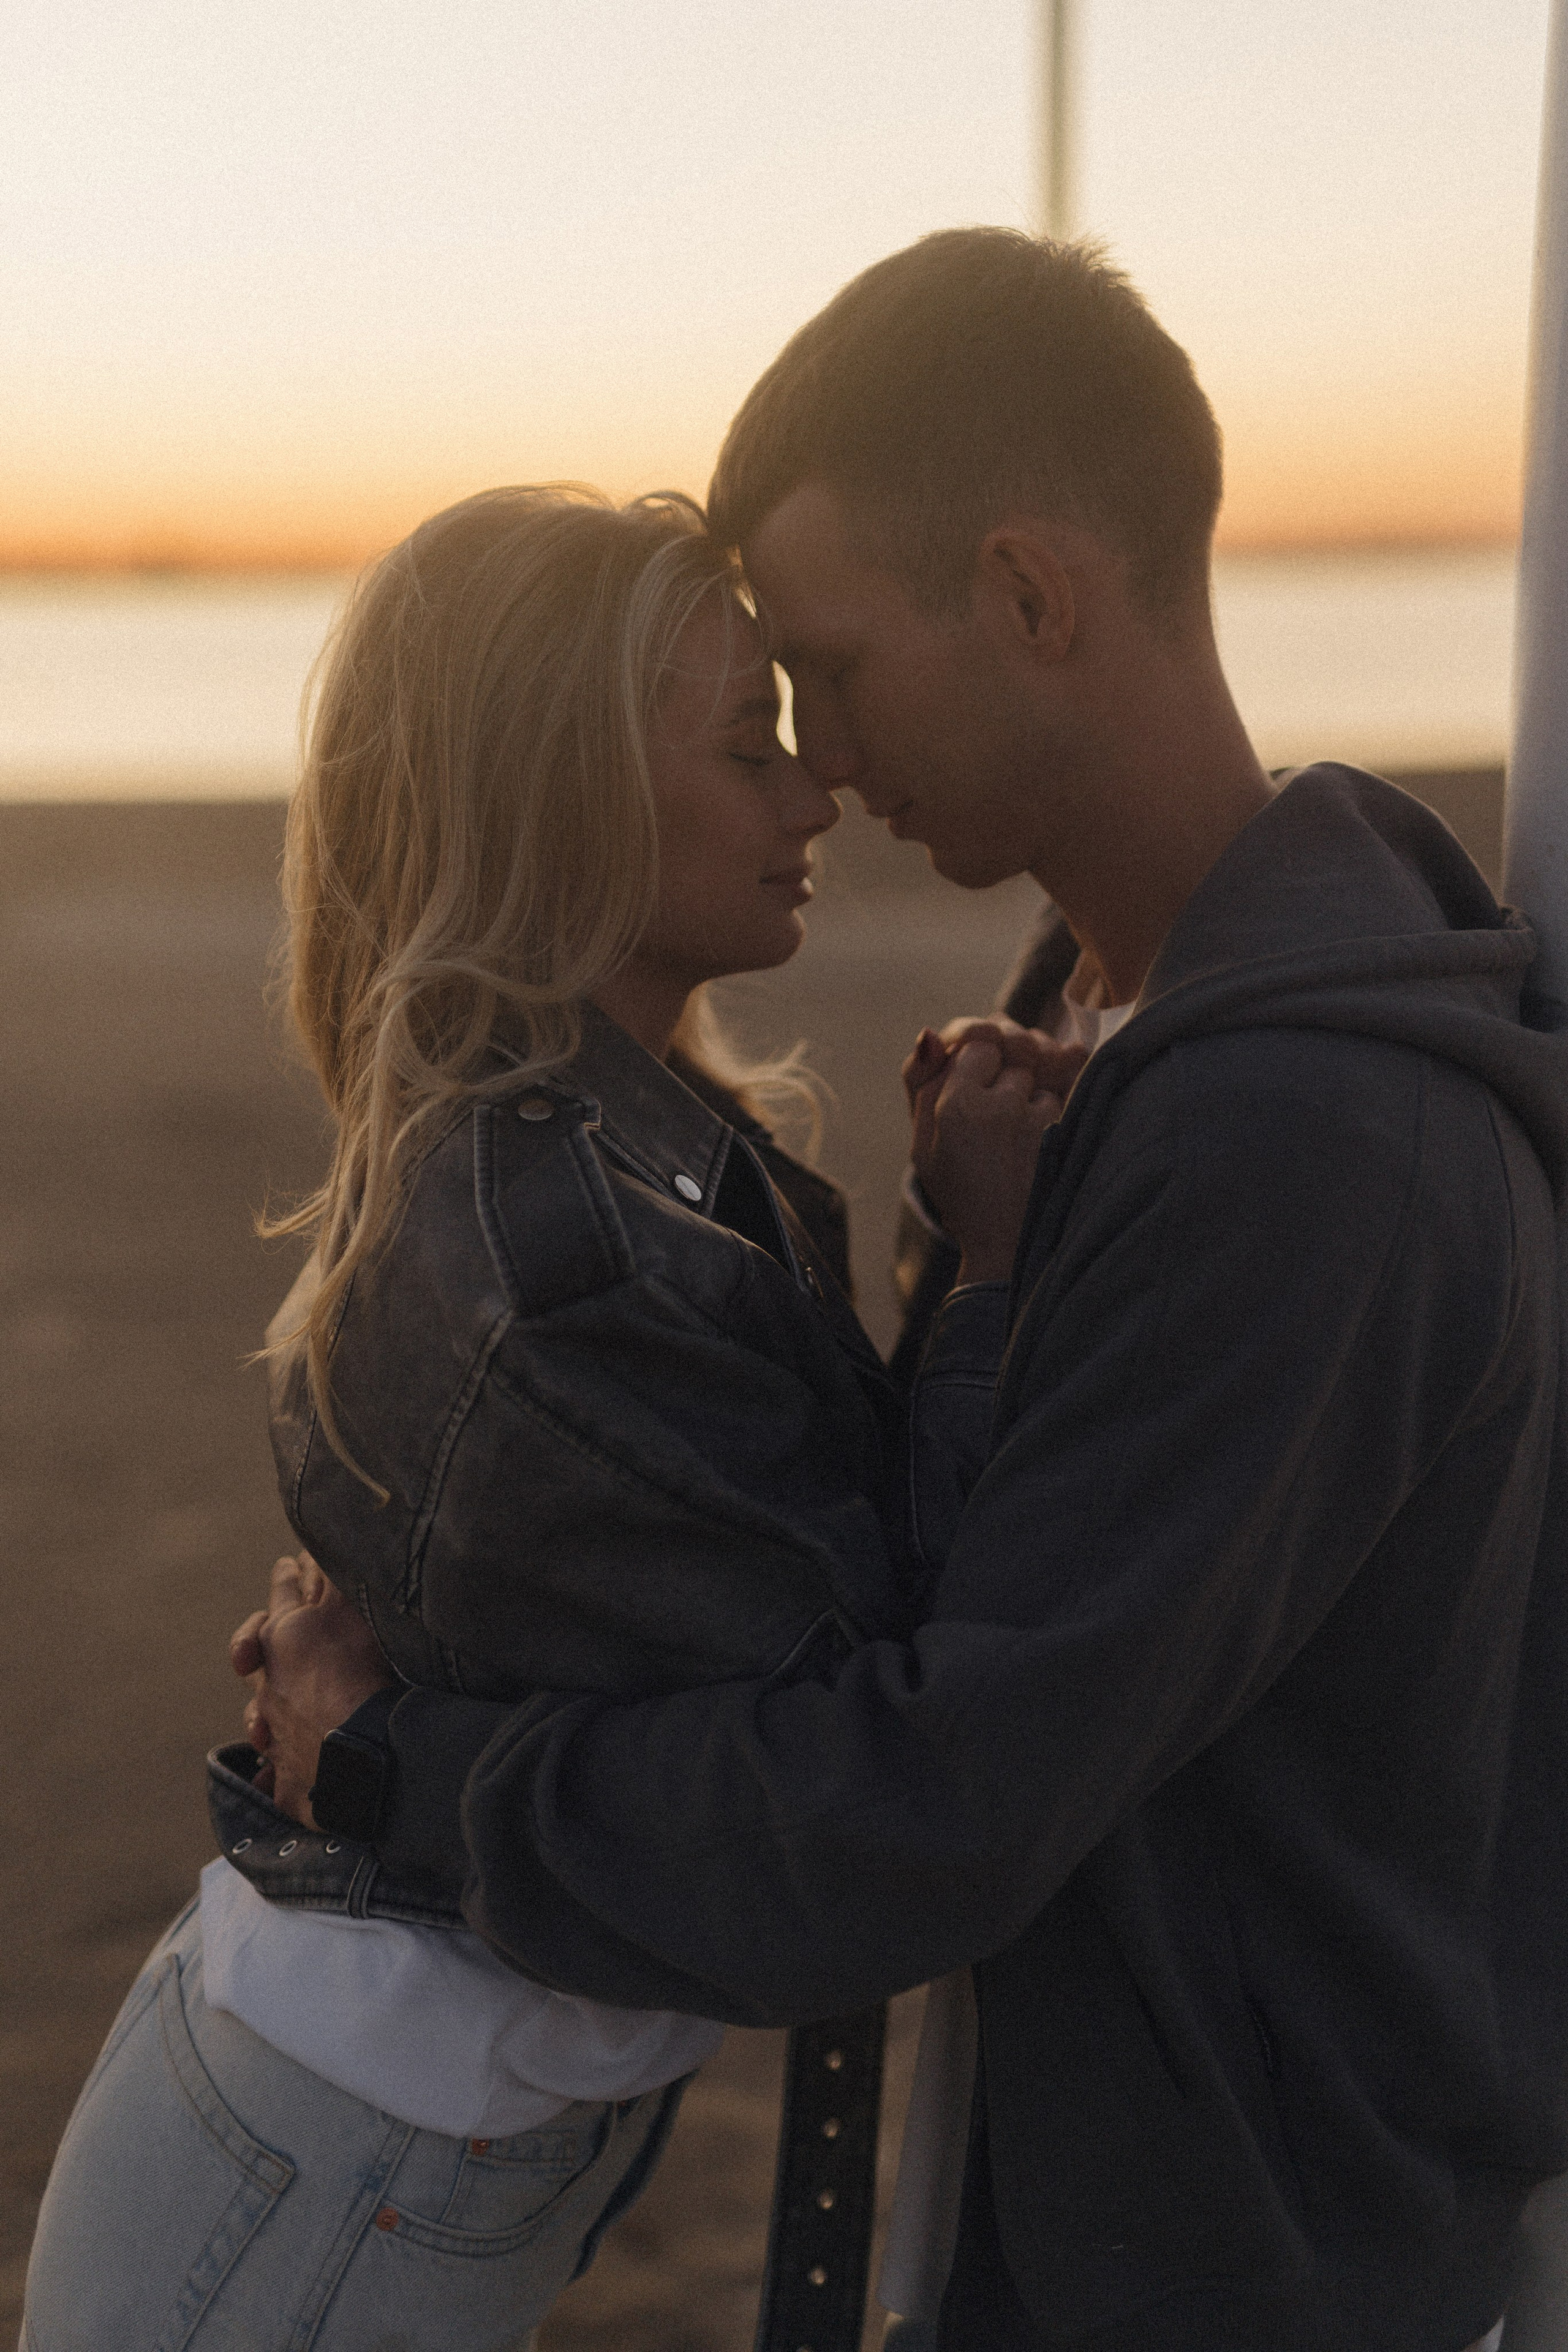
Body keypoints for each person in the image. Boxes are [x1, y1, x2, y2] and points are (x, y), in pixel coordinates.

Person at [244, 230, 1568, 2352]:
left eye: (836, 673)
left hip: (1222, 2277)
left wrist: (408, 1766)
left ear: (1035, 596)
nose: (827, 764)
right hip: (1094, 2206)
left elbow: (930, 1803)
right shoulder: (1109, 1020)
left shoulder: (1309, 1145)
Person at [22, 483, 1070, 2352]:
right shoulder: (562, 1248)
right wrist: (983, 1283)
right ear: (560, 797)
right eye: (747, 744)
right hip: (319, 2189)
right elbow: (868, 1752)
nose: (812, 794)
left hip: (375, 2136)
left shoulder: (635, 1142)